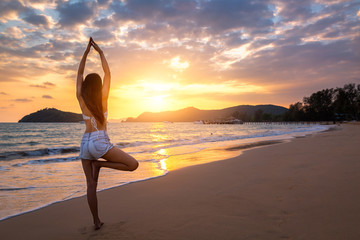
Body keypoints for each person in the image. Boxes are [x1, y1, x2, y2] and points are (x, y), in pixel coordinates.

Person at [76, 37, 139, 230]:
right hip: (99, 142)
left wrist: (85, 54)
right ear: (98, 86)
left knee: (90, 186)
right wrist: (100, 53)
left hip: (85, 143)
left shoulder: (81, 99)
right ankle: (100, 165)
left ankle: (96, 221)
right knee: (132, 165)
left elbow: (79, 73)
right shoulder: (103, 99)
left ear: (86, 87)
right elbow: (108, 73)